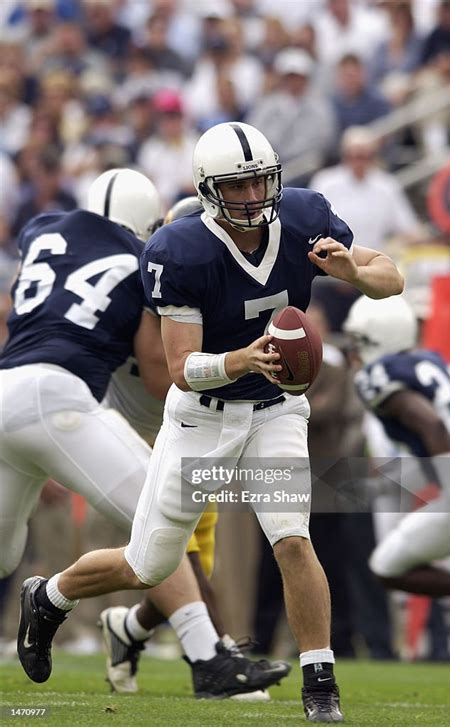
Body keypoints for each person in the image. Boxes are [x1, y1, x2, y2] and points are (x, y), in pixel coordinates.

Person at [17, 121, 404, 723]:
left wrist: (352, 270)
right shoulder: (182, 250)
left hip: (277, 410)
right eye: (237, 186)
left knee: (292, 538)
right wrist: (242, 358)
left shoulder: (304, 216)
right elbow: (178, 368)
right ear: (207, 190)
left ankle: (320, 684)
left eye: (259, 182)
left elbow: (392, 277)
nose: (252, 197)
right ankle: (50, 595)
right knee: (149, 565)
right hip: (202, 417)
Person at [1, 167, 287, 699]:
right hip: (61, 399)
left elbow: (23, 298)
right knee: (159, 527)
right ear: (148, 222)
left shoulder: (44, 231)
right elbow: (160, 373)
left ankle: (138, 633)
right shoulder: (145, 262)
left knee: (2, 554)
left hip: (7, 388)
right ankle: (209, 660)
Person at [101, 195, 277, 700]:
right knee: (174, 558)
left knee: (180, 559)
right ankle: (219, 657)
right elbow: (168, 378)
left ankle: (129, 629)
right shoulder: (150, 286)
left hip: (196, 430)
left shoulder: (213, 279)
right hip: (149, 430)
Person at [343, 295, 450, 598]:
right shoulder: (431, 362)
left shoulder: (377, 376)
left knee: (386, 567)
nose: (352, 350)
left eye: (358, 339)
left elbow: (431, 424)